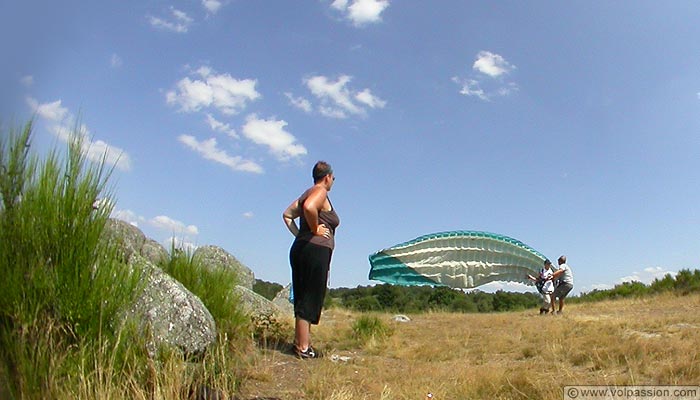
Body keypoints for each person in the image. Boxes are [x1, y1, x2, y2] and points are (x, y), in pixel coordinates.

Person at [282, 161, 340, 359]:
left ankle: (300, 344)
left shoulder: (307, 192)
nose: (332, 181)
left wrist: (300, 235)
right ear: (327, 177)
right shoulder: (320, 191)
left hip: (302, 249)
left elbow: (287, 215)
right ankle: (303, 348)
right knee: (310, 297)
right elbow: (309, 207)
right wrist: (315, 230)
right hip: (315, 251)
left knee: (302, 295)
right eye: (333, 178)